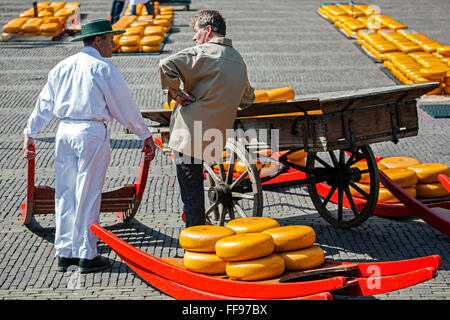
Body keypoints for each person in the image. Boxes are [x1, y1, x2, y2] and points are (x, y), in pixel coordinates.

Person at [22, 19, 156, 273]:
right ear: (98, 40)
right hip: (91, 132)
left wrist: (31, 132)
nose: (113, 44)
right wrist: (144, 134)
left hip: (64, 130)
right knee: (88, 192)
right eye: (110, 39)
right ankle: (87, 253)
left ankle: (64, 252)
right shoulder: (103, 68)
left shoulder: (63, 66)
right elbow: (123, 106)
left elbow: (44, 103)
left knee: (66, 192)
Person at [158, 10, 255, 227]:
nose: (194, 38)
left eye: (196, 32)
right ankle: (202, 229)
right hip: (215, 137)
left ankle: (196, 241)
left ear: (208, 30)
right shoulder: (238, 59)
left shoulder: (202, 52)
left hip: (189, 134)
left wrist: (177, 93)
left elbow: (166, 64)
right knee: (194, 187)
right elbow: (248, 99)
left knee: (191, 192)